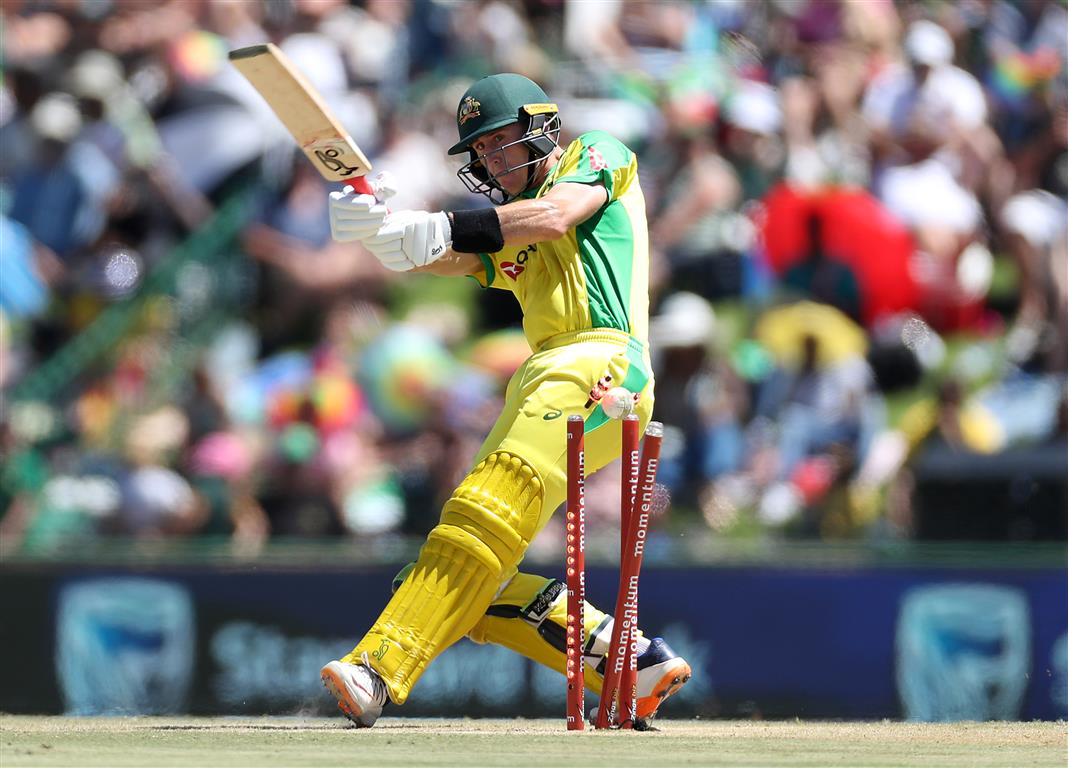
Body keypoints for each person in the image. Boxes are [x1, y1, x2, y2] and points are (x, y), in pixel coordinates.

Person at [319, 73, 690, 727]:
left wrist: (432, 227)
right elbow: (448, 255)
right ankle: (630, 662)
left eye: (500, 144)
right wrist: (378, 231)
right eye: (480, 154)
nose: (491, 162)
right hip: (545, 371)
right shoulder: (506, 231)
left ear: (540, 127)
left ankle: (377, 669)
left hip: (603, 361)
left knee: (488, 503)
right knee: (458, 576)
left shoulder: (596, 155)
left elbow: (551, 217)